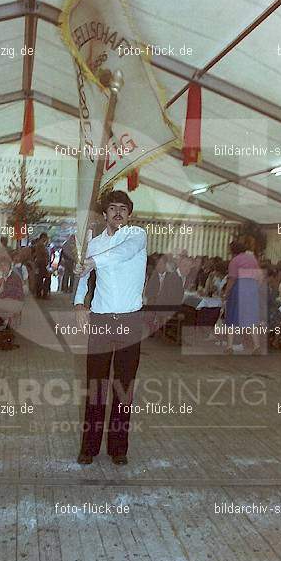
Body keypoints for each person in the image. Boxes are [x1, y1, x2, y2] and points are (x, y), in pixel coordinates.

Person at [74, 190, 147, 466]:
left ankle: (118, 449)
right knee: (96, 385)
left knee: (123, 388)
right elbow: (83, 277)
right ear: (104, 214)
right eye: (112, 208)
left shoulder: (137, 236)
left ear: (129, 214)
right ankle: (89, 448)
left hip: (130, 321)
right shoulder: (92, 244)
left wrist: (91, 262)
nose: (118, 212)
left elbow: (120, 254)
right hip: (102, 320)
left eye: (123, 209)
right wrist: (80, 304)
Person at [222, 239, 262, 355]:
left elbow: (232, 279)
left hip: (238, 288)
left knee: (232, 316)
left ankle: (229, 347)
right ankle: (257, 346)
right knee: (251, 318)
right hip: (251, 288)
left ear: (233, 250)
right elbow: (259, 276)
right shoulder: (252, 259)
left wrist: (226, 293)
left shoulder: (234, 261)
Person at [145, 254, 184, 337]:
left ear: (166, 264)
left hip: (166, 301)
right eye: (157, 264)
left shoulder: (171, 276)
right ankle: (153, 328)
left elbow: (172, 294)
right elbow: (147, 292)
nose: (159, 266)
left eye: (161, 264)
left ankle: (163, 328)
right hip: (155, 300)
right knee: (149, 308)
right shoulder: (153, 275)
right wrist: (155, 297)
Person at [35, 233, 51, 299]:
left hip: (41, 263)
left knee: (40, 279)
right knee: (46, 278)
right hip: (42, 263)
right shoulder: (41, 245)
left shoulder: (40, 244)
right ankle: (44, 293)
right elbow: (44, 254)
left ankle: (39, 293)